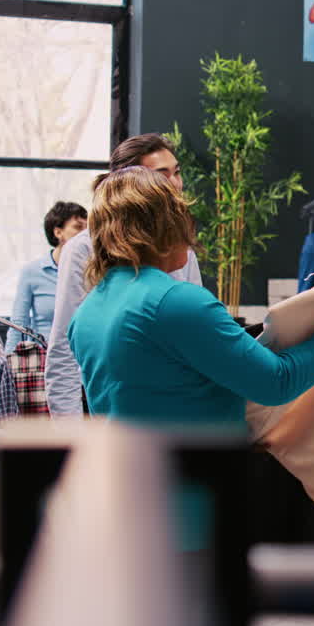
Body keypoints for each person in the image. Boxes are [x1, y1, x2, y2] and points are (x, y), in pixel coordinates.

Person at [67, 165, 314, 426]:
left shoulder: (87, 312)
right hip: (191, 489)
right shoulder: (177, 302)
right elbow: (278, 382)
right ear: (165, 224)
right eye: (181, 212)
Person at [46, 133, 203, 416]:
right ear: (129, 184)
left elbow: (197, 331)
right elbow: (63, 349)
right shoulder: (83, 248)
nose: (175, 184)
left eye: (176, 173)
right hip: (114, 406)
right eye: (161, 175)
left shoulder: (181, 248)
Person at [5, 201, 88, 352]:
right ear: (58, 233)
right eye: (78, 227)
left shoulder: (91, 271)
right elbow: (18, 322)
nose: (85, 234)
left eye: (87, 228)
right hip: (43, 357)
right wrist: (8, 362)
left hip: (82, 355)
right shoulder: (32, 272)